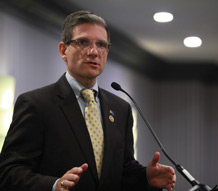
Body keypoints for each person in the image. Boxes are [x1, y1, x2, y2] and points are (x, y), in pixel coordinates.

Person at [0, 10, 176, 191]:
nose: (93, 52)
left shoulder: (121, 109)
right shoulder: (36, 104)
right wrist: (53, 185)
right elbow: (8, 172)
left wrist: (146, 177)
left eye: (101, 45)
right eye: (83, 42)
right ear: (63, 50)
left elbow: (122, 171)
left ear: (107, 52)